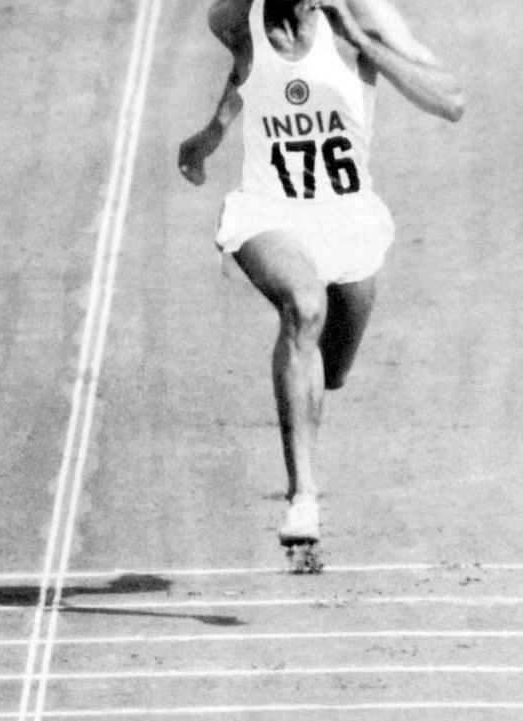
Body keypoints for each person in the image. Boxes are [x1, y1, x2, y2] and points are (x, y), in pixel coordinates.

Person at [178, 0, 463, 557]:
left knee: (330, 371)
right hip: (269, 210)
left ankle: (310, 394)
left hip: (349, 218)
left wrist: (364, 41)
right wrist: (215, 130)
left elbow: (450, 101)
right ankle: (302, 496)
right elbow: (245, 66)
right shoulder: (233, 18)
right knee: (305, 308)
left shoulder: (364, 17)